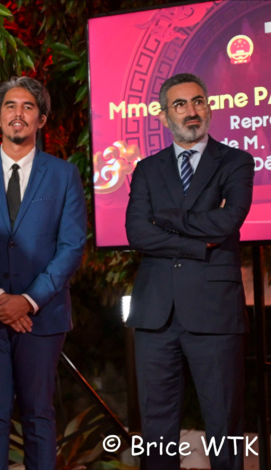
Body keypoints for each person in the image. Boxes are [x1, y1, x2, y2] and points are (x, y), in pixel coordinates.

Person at [0, 76, 87, 470]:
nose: (18, 114)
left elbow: (72, 246)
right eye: (10, 106)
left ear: (41, 119)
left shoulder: (62, 175)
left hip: (42, 316)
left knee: (39, 414)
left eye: (27, 107)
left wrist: (27, 300)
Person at [125, 72, 253, 470]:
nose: (190, 111)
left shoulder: (236, 161)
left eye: (198, 101)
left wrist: (167, 220)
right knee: (157, 429)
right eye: (180, 104)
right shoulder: (146, 169)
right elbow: (137, 233)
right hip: (155, 314)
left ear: (209, 107)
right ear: (165, 116)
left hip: (214, 310)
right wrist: (198, 241)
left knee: (224, 426)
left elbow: (227, 221)